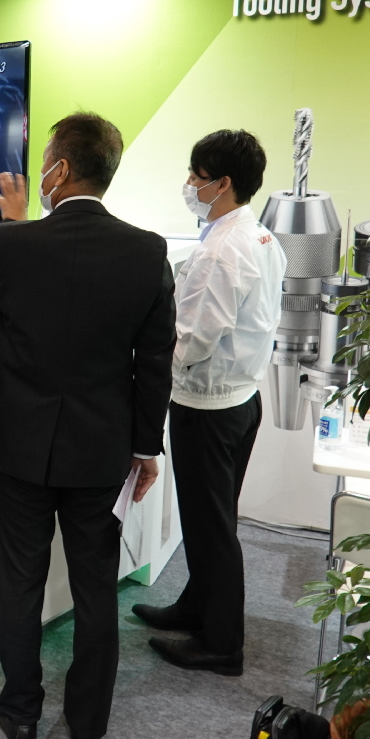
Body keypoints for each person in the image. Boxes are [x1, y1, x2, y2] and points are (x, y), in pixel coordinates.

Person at [0, 112, 176, 739]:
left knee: (21, 584)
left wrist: (11, 224)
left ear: (59, 169)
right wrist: (146, 448)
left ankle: (22, 716)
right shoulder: (147, 251)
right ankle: (87, 729)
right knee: (95, 590)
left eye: (45, 162)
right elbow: (155, 361)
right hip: (101, 450)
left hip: (19, 446)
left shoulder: (13, 244)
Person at [132, 129, 285, 676]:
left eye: (196, 176)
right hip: (241, 399)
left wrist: (146, 368)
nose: (189, 185)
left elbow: (193, 339)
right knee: (210, 518)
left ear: (223, 183)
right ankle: (195, 608)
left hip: (209, 406)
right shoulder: (259, 237)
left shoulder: (222, 250)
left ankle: (222, 645)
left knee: (211, 527)